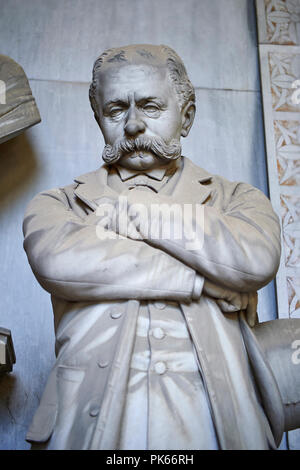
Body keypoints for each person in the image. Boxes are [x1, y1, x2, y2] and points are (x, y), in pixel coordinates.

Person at [23, 44, 300, 450]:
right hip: (92, 421)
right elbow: (59, 262)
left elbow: (255, 259)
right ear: (98, 117)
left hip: (217, 421)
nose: (133, 125)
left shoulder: (238, 199)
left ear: (186, 117)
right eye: (116, 110)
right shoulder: (59, 203)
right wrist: (206, 279)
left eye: (151, 107)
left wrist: (140, 210)